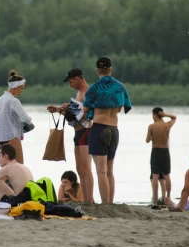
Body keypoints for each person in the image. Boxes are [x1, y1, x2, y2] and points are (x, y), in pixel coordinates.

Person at [82, 57, 132, 203]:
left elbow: (84, 110)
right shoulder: (121, 87)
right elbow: (121, 107)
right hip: (114, 130)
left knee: (101, 171)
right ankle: (110, 203)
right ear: (110, 69)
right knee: (110, 171)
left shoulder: (94, 88)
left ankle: (105, 204)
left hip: (99, 129)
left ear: (96, 70)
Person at [47, 68, 93, 202]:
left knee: (86, 168)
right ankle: (85, 198)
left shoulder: (88, 93)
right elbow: (74, 116)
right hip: (77, 133)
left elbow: (86, 116)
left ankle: (89, 200)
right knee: (79, 168)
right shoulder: (79, 93)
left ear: (78, 78)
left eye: (71, 81)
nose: (70, 84)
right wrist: (59, 110)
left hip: (86, 132)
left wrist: (67, 108)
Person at [0, 71, 32, 164]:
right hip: (12, 137)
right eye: (21, 88)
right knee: (19, 169)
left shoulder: (0, 99)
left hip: (1, 139)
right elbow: (26, 118)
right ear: (16, 87)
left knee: (6, 170)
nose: (21, 91)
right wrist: (30, 122)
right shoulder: (13, 101)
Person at [146, 107, 176, 205]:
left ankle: (155, 198)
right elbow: (174, 117)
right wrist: (165, 115)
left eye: (153, 115)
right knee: (167, 175)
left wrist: (151, 138)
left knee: (155, 175)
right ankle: (167, 197)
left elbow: (147, 140)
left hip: (156, 151)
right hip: (165, 151)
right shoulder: (167, 125)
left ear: (155, 115)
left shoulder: (151, 126)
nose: (152, 117)